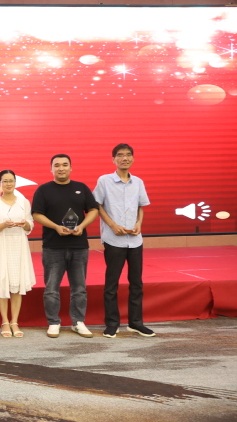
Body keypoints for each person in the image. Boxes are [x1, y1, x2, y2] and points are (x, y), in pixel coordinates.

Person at [31, 154, 99, 339]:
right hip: (53, 246)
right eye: (57, 165)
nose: (61, 168)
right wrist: (55, 227)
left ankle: (78, 322)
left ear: (71, 168)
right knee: (51, 288)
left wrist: (82, 226)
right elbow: (36, 214)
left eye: (65, 165)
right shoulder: (43, 190)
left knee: (79, 288)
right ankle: (53, 322)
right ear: (51, 169)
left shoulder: (81, 188)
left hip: (79, 246)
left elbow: (93, 209)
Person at [93, 144, 154, 338]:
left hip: (135, 240)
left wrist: (139, 224)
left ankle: (136, 323)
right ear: (113, 159)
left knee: (136, 283)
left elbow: (141, 206)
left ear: (133, 158)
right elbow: (97, 205)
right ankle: (112, 324)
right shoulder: (104, 181)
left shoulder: (138, 182)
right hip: (114, 240)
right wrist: (112, 225)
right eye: (120, 155)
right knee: (111, 284)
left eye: (128, 155)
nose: (124, 158)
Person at [0, 170, 36, 338]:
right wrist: (4, 225)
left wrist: (25, 224)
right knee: (3, 282)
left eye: (11, 181)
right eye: (5, 181)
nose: (8, 184)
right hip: (3, 245)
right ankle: (5, 322)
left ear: (15, 182)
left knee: (17, 283)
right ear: (0, 184)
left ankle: (15, 321)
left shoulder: (24, 202)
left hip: (19, 244)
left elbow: (30, 224)